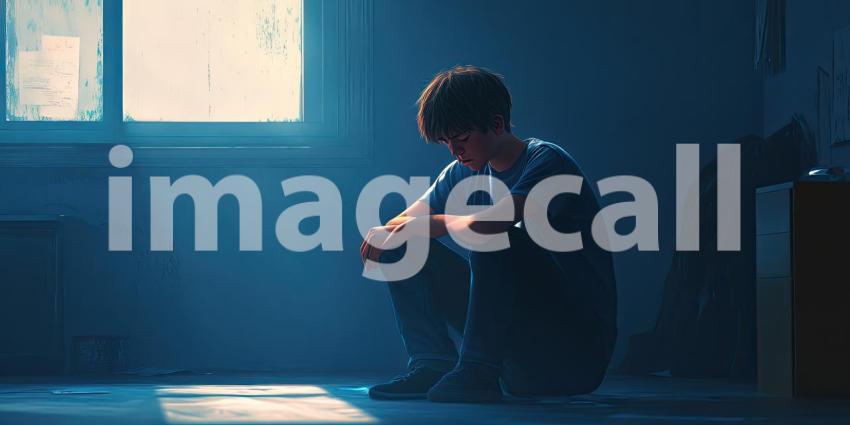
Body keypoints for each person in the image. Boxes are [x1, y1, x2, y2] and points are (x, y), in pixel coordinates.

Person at [360, 65, 617, 403]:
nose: (455, 151)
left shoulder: (547, 161)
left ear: (496, 124)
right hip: (515, 355)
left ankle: (477, 370)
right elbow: (406, 221)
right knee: (402, 244)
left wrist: (433, 223)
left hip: (572, 356)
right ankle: (433, 364)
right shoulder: (463, 171)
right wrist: (385, 231)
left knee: (492, 235)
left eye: (462, 140)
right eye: (447, 143)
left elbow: (495, 224)